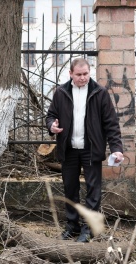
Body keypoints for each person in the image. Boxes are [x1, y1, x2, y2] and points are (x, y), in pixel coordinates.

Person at [46, 58, 124, 243]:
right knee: (70, 189)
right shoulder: (61, 92)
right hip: (69, 148)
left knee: (93, 190)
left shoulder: (100, 92)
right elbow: (51, 115)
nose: (82, 78)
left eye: (86, 74)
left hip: (91, 148)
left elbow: (111, 123)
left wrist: (116, 149)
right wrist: (52, 126)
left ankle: (88, 229)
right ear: (71, 74)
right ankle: (72, 226)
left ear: (90, 73)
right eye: (79, 74)